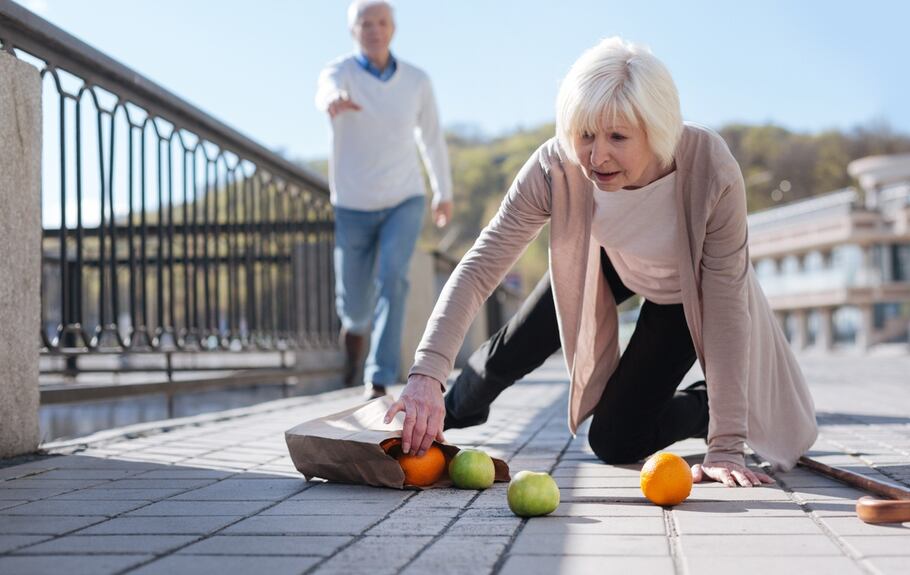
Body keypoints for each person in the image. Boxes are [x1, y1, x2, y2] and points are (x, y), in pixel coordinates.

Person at [385, 37, 818, 487]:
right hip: (609, 260)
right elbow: (479, 268)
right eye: (586, 135)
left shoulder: (710, 167)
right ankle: (439, 415)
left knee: (615, 440)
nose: (596, 156)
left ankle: (707, 405)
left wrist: (726, 443)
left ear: (657, 129)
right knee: (504, 356)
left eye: (618, 137)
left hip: (686, 290)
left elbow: (726, 305)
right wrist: (426, 375)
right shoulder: (555, 166)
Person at [315, 0, 453, 400]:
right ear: (353, 31)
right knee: (355, 307)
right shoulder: (339, 72)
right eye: (365, 24)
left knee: (394, 278)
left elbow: (432, 138)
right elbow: (325, 91)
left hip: (403, 198)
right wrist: (333, 99)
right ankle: (354, 333)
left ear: (392, 28)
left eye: (381, 22)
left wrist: (443, 192)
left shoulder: (417, 81)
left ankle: (378, 377)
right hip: (352, 202)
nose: (374, 30)